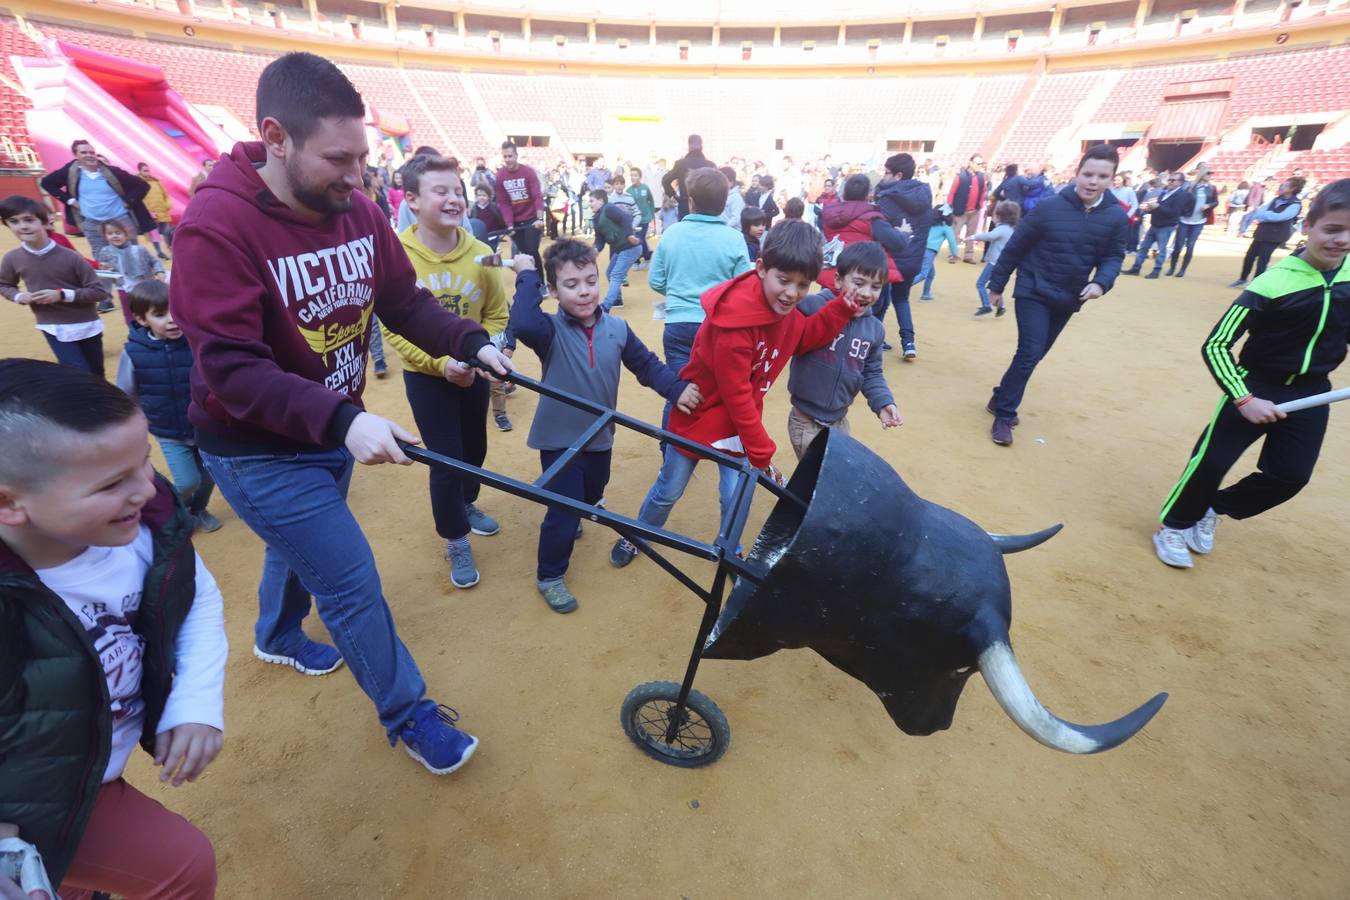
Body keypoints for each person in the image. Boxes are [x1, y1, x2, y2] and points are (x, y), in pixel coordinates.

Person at [170, 51, 512, 774]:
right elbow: (230, 370)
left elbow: (403, 301)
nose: (358, 177)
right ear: (276, 137)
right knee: (349, 578)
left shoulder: (352, 209)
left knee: (298, 547)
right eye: (339, 159)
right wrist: (342, 420)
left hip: (331, 425)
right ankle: (410, 712)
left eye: (363, 158)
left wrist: (471, 342)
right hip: (256, 444)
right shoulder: (216, 226)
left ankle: (277, 632)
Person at [0, 358, 226, 900]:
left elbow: (197, 598)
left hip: (82, 760)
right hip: (28, 799)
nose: (147, 490)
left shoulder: (144, 531)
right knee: (184, 867)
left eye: (144, 462)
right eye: (112, 483)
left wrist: (195, 701)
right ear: (9, 503)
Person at [610, 220, 860, 568]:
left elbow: (804, 336)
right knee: (669, 489)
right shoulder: (733, 324)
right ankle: (638, 532)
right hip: (702, 415)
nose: (792, 292)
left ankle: (728, 548)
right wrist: (761, 449)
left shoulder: (784, 314)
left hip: (738, 426)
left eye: (803, 285)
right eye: (784, 280)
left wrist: (841, 308)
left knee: (735, 496)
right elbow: (736, 392)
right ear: (761, 269)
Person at [1153, 179, 1350, 569]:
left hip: (1313, 393)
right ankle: (1174, 526)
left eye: (1349, 232)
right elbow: (1216, 344)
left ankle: (1215, 508)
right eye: (1332, 229)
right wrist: (1244, 398)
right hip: (1255, 385)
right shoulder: (1272, 283)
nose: (1341, 240)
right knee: (1210, 462)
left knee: (1290, 476)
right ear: (1307, 226)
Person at [512, 239, 699, 612]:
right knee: (563, 513)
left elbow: (647, 366)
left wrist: (676, 389)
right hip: (559, 441)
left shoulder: (617, 329)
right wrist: (527, 275)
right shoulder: (549, 331)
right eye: (570, 284)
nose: (583, 291)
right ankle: (550, 574)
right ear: (552, 291)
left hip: (600, 434)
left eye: (590, 280)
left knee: (594, 488)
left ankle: (575, 510)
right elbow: (522, 321)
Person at [380, 154, 509, 590]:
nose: (454, 199)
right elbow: (392, 328)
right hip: (427, 378)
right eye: (442, 191)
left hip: (473, 374)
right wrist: (440, 362)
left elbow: (496, 313)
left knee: (475, 451)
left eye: (458, 190)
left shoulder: (485, 254)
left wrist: (482, 351)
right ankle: (455, 537)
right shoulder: (395, 254)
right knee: (446, 460)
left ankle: (467, 504)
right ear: (412, 200)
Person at [985, 144, 1128, 447]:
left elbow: (1114, 257)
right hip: (1033, 288)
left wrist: (1101, 282)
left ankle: (1000, 398)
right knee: (1028, 353)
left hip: (1069, 295)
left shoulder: (1115, 217)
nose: (1093, 181)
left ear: (1112, 179)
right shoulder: (1049, 207)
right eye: (1088, 174)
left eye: (1102, 176)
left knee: (1034, 355)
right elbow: (1016, 247)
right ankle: (1005, 415)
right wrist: (996, 285)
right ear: (1077, 174)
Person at [113, 279, 222, 532]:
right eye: (160, 315)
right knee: (186, 482)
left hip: (204, 427)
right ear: (142, 320)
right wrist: (135, 422)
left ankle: (198, 510)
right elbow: (126, 393)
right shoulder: (134, 353)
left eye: (176, 311)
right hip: (169, 432)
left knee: (208, 478)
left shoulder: (197, 343)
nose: (172, 320)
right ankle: (174, 512)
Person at [786, 241, 902, 459]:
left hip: (839, 423)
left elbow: (872, 373)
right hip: (806, 421)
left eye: (876, 287)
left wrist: (884, 402)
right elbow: (787, 335)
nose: (867, 293)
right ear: (838, 280)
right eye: (859, 283)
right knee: (819, 478)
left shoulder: (874, 329)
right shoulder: (813, 307)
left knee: (828, 478)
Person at [648, 167, 752, 382]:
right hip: (716, 325)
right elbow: (743, 287)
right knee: (714, 390)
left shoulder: (671, 233)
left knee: (679, 391)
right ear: (724, 203)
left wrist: (678, 289)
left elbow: (655, 280)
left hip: (677, 322)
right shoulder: (734, 238)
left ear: (691, 201)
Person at [0, 195, 109, 375]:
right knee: (77, 373)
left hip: (86, 324)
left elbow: (99, 292)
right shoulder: (13, 258)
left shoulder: (70, 257)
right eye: (14, 221)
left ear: (45, 222)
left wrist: (62, 295)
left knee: (96, 373)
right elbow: (4, 284)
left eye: (29, 220)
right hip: (53, 327)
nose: (23, 226)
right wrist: (19, 296)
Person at [39, 140, 151, 257]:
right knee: (103, 258)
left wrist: (128, 201)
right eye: (84, 152)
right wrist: (70, 201)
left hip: (120, 220)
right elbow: (47, 183)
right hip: (92, 223)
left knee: (131, 255)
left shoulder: (112, 171)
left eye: (92, 152)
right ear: (76, 155)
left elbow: (143, 186)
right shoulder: (70, 171)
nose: (89, 155)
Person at [873, 153, 933, 359]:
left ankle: (872, 340)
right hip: (913, 258)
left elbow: (878, 229)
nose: (884, 176)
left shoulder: (888, 199)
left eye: (887, 173)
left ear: (898, 175)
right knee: (901, 300)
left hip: (890, 259)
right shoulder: (925, 194)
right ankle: (908, 343)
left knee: (877, 301)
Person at [1230, 177, 1306, 287]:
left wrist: (1264, 216)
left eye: (1285, 186)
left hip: (1275, 236)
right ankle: (1243, 279)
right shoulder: (1276, 199)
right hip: (1262, 232)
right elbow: (1261, 211)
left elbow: (1280, 217)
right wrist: (1266, 215)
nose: (1282, 187)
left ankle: (1256, 284)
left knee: (1262, 260)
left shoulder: (1295, 204)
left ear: (1293, 189)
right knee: (1249, 257)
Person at [97, 218, 166, 323]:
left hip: (144, 287)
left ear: (126, 234)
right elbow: (105, 275)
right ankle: (135, 332)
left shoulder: (139, 250)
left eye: (118, 233)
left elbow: (154, 261)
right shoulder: (105, 252)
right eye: (110, 233)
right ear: (105, 236)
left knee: (148, 309)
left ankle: (152, 329)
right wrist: (104, 269)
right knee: (129, 313)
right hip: (124, 289)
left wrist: (159, 272)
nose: (114, 236)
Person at [1125, 171, 1191, 278]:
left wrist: (1157, 207)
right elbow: (1161, 208)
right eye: (1169, 179)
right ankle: (1136, 268)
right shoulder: (1166, 191)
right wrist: (1150, 209)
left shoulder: (1181, 195)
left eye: (1172, 180)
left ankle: (1156, 271)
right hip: (1156, 224)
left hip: (1166, 225)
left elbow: (1174, 212)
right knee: (1144, 248)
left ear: (1180, 183)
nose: (1169, 182)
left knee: (1161, 250)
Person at [589, 189, 642, 312]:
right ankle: (617, 300)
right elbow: (600, 240)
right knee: (610, 273)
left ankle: (606, 306)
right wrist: (595, 249)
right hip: (620, 249)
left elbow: (626, 218)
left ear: (601, 200)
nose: (590, 204)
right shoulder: (596, 219)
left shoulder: (609, 209)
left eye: (592, 201)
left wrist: (629, 234)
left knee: (615, 275)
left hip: (631, 247)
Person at [495, 141, 545, 271]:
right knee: (524, 252)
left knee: (531, 250)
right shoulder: (500, 175)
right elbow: (504, 203)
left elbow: (537, 196)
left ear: (516, 156)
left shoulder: (528, 172)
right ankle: (530, 280)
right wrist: (509, 224)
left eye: (510, 156)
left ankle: (541, 283)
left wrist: (539, 218)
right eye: (505, 156)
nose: (507, 159)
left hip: (531, 218)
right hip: (515, 221)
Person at [968, 200, 1021, 316]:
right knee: (994, 285)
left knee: (980, 284)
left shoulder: (1002, 229)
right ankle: (1000, 306)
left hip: (994, 261)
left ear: (1001, 216)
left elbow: (989, 236)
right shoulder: (1011, 229)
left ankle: (986, 305)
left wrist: (972, 237)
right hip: (1000, 261)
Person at [1168, 170, 1218, 278]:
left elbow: (1215, 202)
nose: (1210, 176)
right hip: (1185, 219)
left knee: (1190, 245)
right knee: (1178, 246)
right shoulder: (1190, 186)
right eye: (1207, 173)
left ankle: (1182, 270)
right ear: (1201, 174)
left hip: (1199, 220)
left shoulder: (1212, 188)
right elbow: (1182, 200)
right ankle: (1172, 268)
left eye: (1210, 174)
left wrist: (1208, 206)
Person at [662, 134, 716, 219]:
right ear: (702, 146)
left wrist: (674, 196)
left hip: (685, 205)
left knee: (686, 230)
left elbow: (665, 180)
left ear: (689, 146)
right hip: (707, 206)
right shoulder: (710, 165)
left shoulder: (680, 164)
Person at [947, 154, 989, 263]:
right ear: (970, 163)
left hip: (974, 211)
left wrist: (980, 204)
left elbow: (984, 191)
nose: (980, 166)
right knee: (955, 233)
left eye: (981, 164)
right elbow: (952, 193)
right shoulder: (960, 176)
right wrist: (949, 206)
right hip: (960, 210)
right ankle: (952, 254)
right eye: (978, 163)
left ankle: (968, 256)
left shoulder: (982, 177)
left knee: (971, 235)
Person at [917, 203, 959, 306]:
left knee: (931, 273)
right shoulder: (945, 227)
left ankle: (926, 294)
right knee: (923, 274)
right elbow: (952, 241)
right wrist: (955, 254)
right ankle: (903, 288)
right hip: (930, 251)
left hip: (921, 248)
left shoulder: (930, 223)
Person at [137, 162, 174, 259]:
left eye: (148, 170)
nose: (147, 172)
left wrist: (167, 205)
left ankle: (170, 250)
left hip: (163, 211)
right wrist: (146, 211)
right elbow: (139, 198)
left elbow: (165, 195)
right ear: (140, 171)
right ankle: (160, 252)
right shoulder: (138, 182)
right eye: (145, 171)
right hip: (150, 213)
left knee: (167, 233)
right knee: (154, 235)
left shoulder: (156, 181)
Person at [628, 166, 657, 267]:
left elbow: (651, 200)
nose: (633, 177)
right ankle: (643, 256)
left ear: (640, 177)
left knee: (640, 237)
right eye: (631, 175)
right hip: (634, 219)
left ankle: (645, 258)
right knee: (635, 237)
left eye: (635, 175)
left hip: (645, 217)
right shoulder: (628, 191)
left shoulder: (645, 188)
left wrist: (652, 213)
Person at [719, 165, 746, 231]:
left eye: (722, 181)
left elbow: (736, 218)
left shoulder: (736, 197)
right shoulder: (722, 194)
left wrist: (723, 228)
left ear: (731, 182)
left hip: (732, 231)